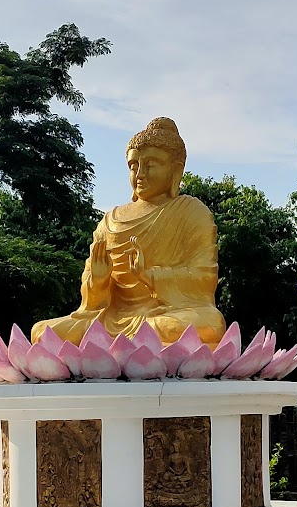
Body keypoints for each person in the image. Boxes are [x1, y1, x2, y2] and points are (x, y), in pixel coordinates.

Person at [32, 116, 226, 347]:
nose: (140, 173)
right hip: (110, 318)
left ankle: (111, 347)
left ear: (176, 169)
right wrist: (99, 280)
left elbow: (205, 278)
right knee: (42, 332)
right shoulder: (110, 220)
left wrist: (149, 275)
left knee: (209, 325)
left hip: (165, 315)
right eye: (133, 166)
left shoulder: (192, 212)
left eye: (151, 165)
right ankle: (131, 345)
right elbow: (92, 302)